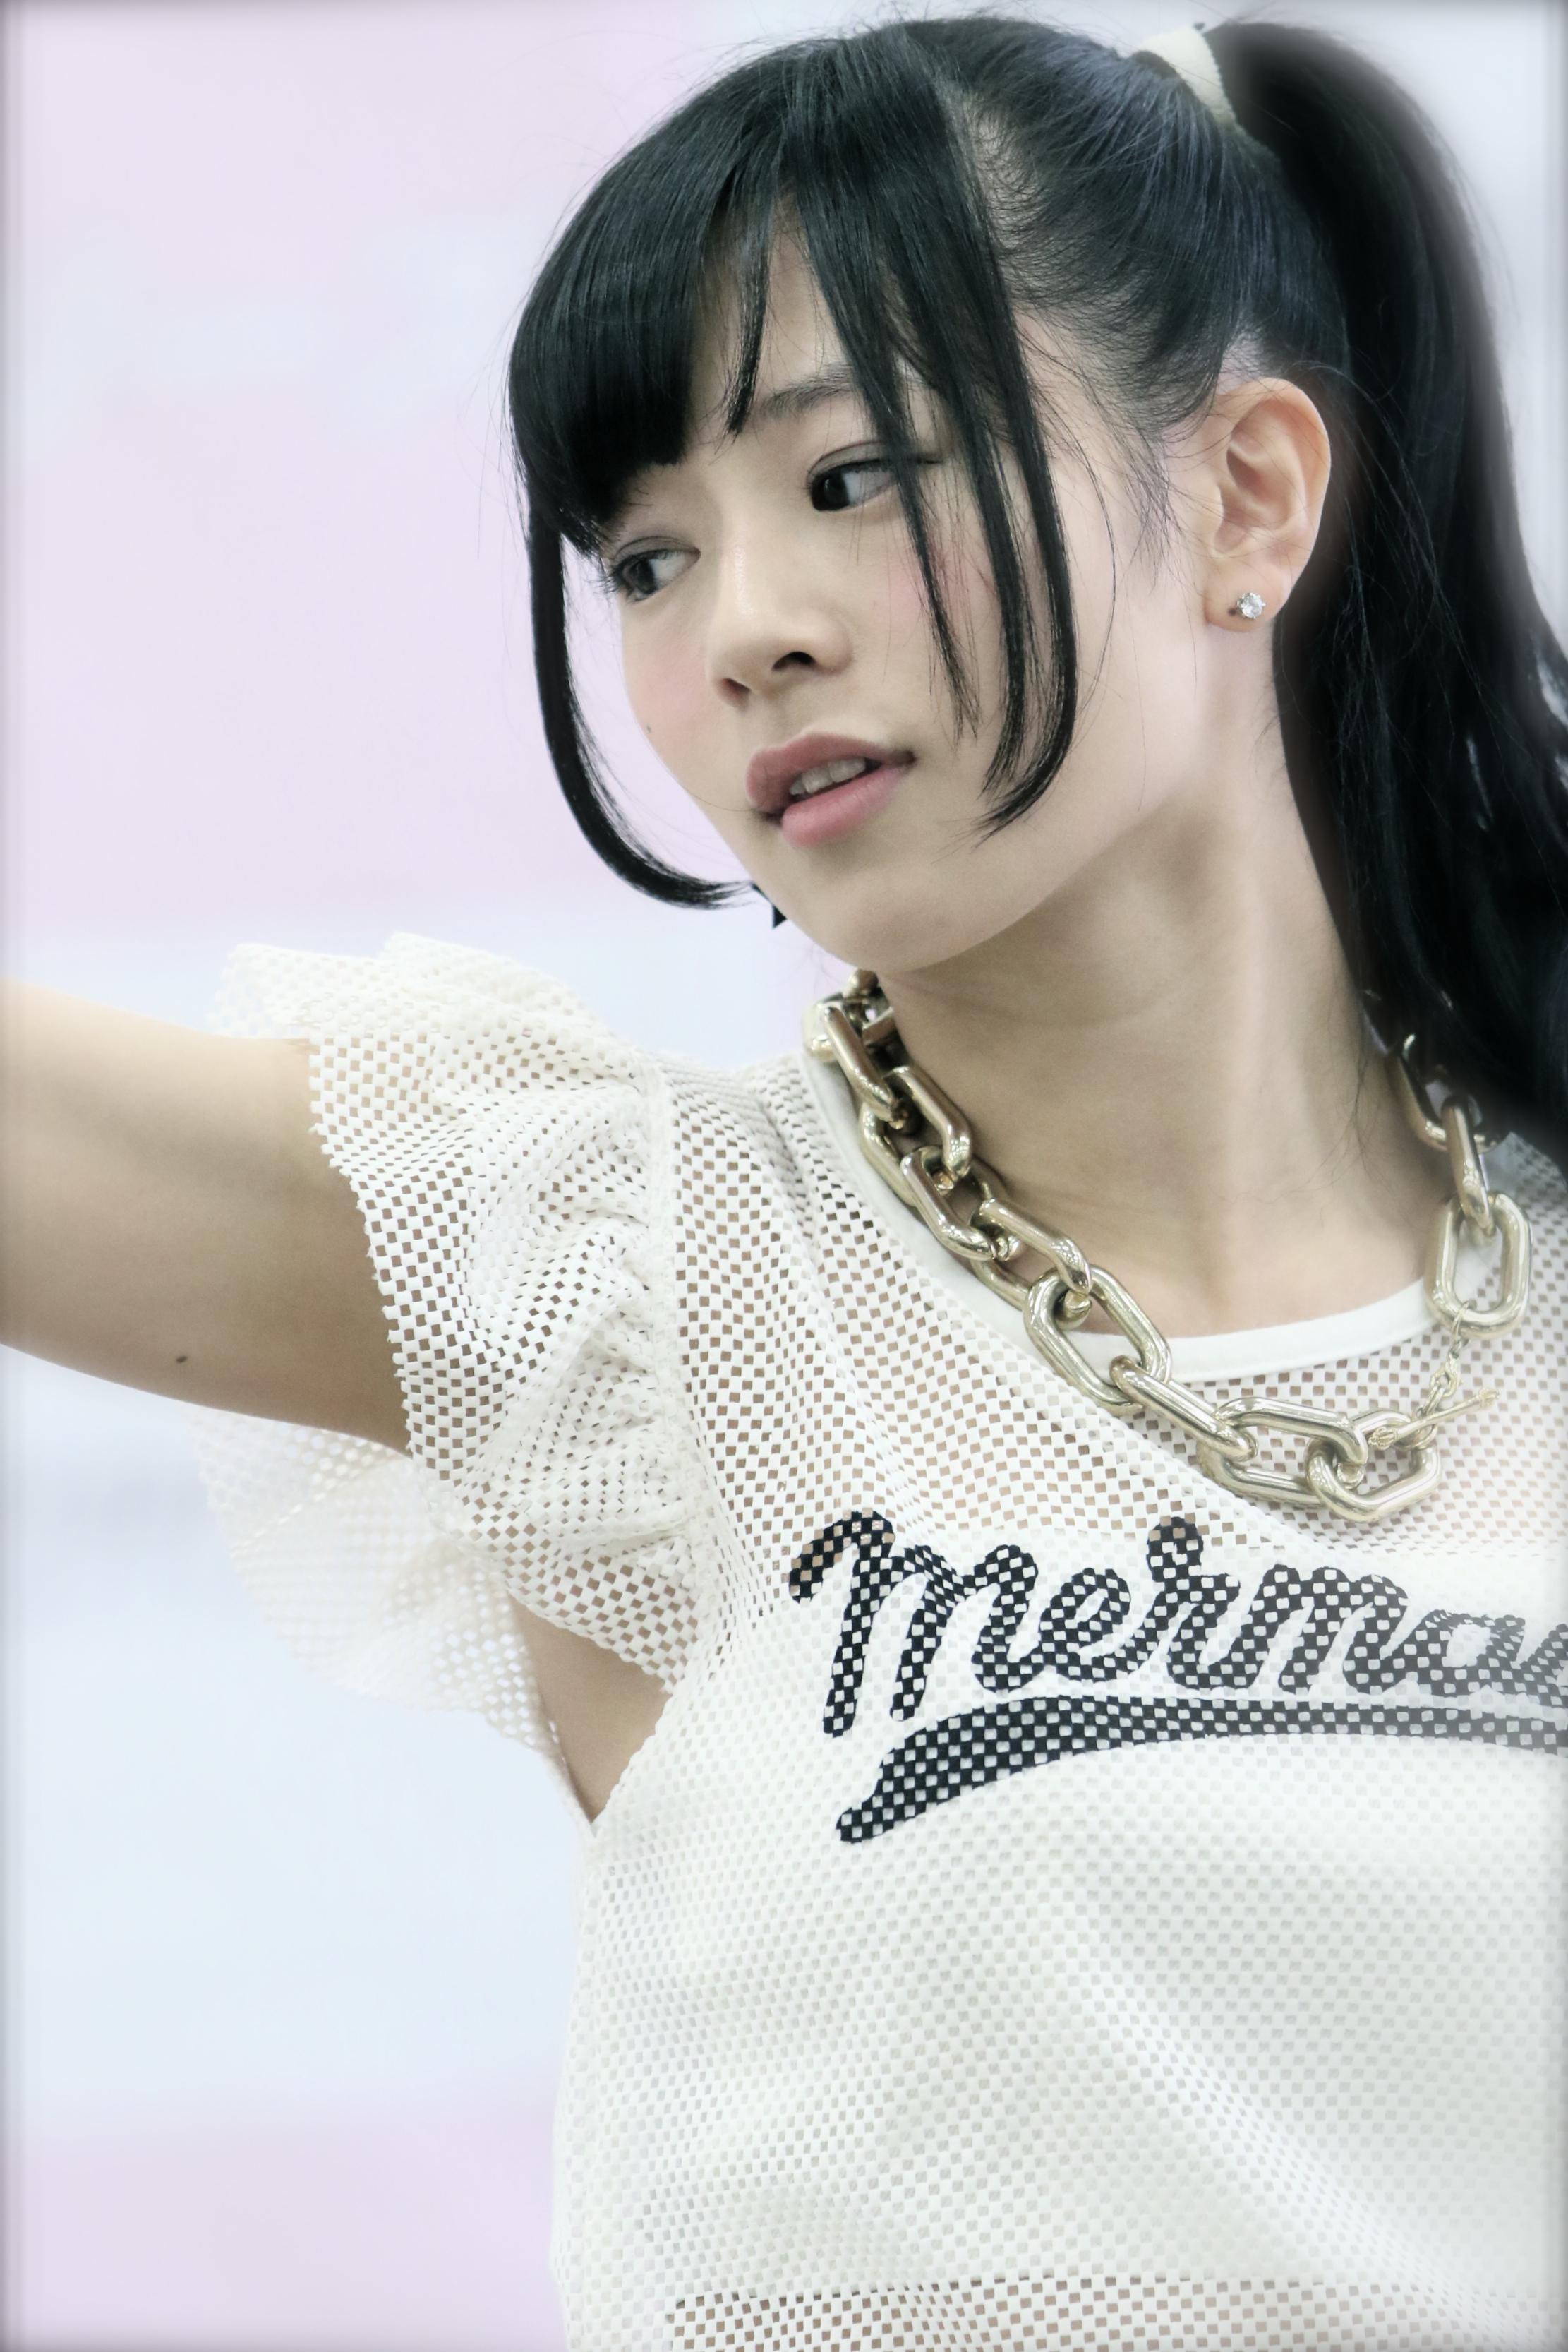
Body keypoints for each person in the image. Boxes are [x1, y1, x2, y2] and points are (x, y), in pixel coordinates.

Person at [4, 12, 1564, 2348]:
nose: (743, 630)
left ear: (1249, 493)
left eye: (855, 476)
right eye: (646, 553)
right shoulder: (619, 1276)